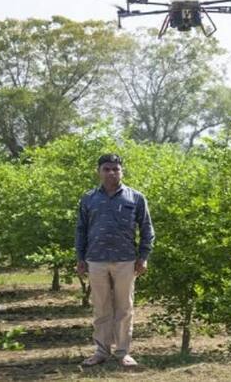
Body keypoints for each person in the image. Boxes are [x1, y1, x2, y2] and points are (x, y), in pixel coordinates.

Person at [75, 154, 155, 367]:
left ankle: (123, 352)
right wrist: (80, 258)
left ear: (122, 171)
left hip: (125, 261)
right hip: (96, 260)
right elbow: (81, 230)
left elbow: (147, 229)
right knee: (101, 307)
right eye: (107, 169)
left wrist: (143, 256)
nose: (111, 173)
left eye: (115, 169)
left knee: (124, 308)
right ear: (99, 172)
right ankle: (101, 351)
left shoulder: (136, 197)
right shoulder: (88, 198)